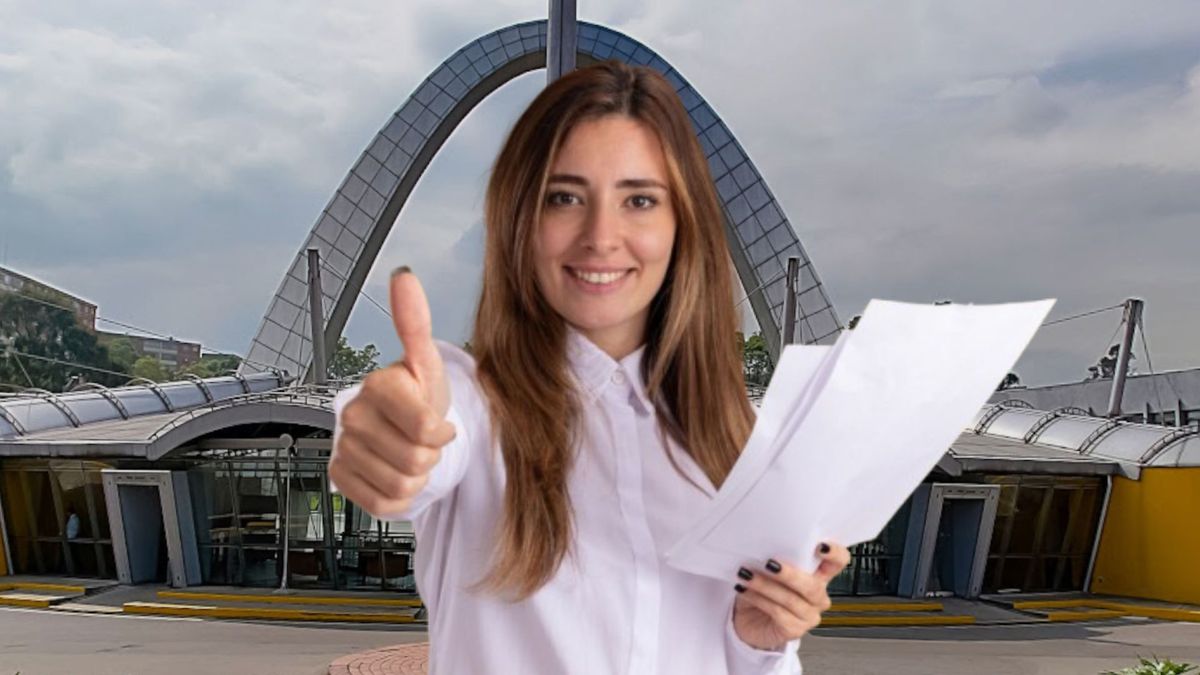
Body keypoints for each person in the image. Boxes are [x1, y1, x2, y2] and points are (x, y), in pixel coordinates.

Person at [329, 60, 850, 674]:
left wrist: (758, 641)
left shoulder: (746, 445)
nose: (601, 237)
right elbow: (421, 428)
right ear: (519, 221)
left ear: (683, 226)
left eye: (639, 199)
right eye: (565, 197)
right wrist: (386, 436)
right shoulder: (473, 406)